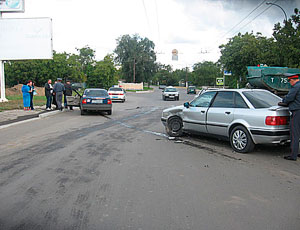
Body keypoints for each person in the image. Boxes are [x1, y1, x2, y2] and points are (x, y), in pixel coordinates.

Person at [278, 73, 300, 161]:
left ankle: (293, 155)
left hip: (297, 112)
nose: (289, 83)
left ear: (292, 80)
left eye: (289, 81)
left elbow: (289, 98)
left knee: (295, 134)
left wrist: (283, 101)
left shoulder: (295, 87)